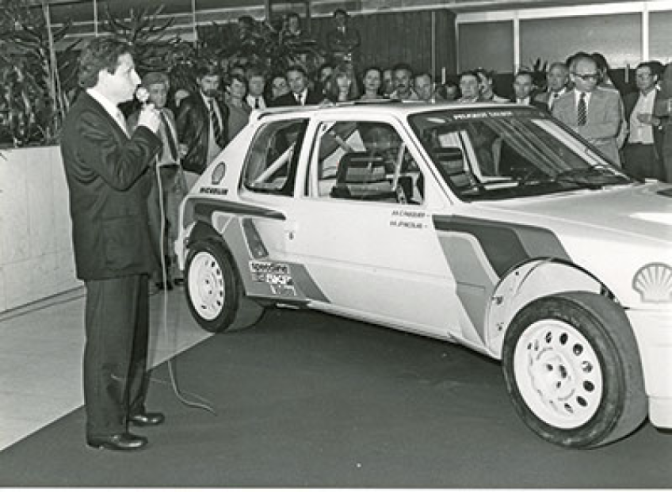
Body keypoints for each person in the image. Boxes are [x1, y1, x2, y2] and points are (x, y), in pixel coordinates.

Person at [60, 37, 163, 452]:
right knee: (109, 340)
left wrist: (144, 128)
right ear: (104, 75)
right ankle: (103, 425)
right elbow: (120, 172)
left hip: (128, 239)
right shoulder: (85, 120)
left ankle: (129, 405)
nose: (137, 79)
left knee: (134, 333)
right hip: (108, 246)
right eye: (128, 71)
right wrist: (145, 132)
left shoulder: (110, 113)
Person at [128, 71, 188, 292]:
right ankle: (158, 274)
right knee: (156, 226)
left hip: (173, 172)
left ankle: (176, 269)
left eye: (163, 92)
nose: (161, 97)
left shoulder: (170, 114)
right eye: (155, 92)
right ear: (144, 94)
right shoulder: (136, 119)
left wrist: (179, 148)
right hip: (154, 176)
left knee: (176, 223)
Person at [552, 54, 622, 164]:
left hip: (605, 161)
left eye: (594, 76)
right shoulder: (560, 103)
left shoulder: (611, 97)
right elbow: (558, 132)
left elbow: (612, 128)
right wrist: (594, 134)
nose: (591, 81)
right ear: (572, 77)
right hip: (572, 161)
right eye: (585, 77)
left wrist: (577, 131)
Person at [176, 64, 229, 189]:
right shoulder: (189, 104)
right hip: (194, 166)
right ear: (199, 81)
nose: (212, 86)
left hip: (216, 167)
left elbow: (224, 136)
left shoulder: (222, 108)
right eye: (208, 81)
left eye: (216, 82)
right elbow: (178, 133)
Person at [623, 61, 666, 180]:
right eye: (637, 76)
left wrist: (656, 121)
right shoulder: (629, 99)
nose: (639, 79)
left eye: (644, 76)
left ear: (655, 78)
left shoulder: (663, 99)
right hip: (632, 150)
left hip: (653, 150)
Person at [225, 73, 252, 139]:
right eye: (236, 86)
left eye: (243, 86)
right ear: (228, 88)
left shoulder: (248, 108)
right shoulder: (225, 108)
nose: (240, 89)